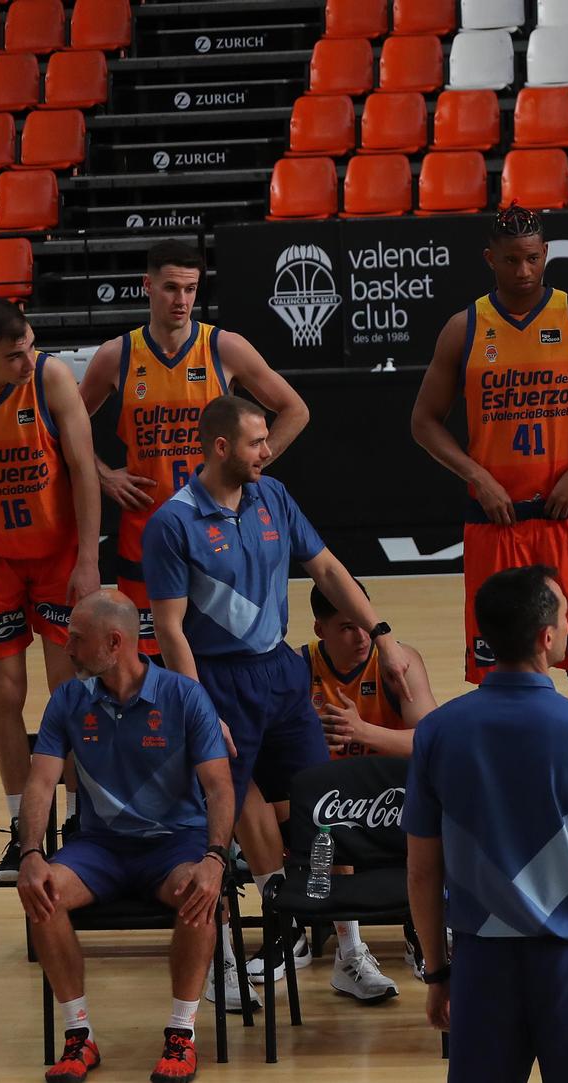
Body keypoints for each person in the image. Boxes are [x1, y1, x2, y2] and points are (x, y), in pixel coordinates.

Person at [141, 394, 415, 1007]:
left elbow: (328, 571)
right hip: (217, 681)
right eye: (255, 442)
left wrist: (382, 634)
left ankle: (347, 951)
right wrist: (198, 706)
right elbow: (169, 629)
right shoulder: (173, 524)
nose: (268, 450)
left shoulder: (274, 497)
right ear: (220, 448)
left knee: (326, 801)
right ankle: (222, 961)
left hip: (281, 676)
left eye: (267, 439)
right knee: (224, 812)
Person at [405, 565, 568, 1081]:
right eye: (565, 616)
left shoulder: (436, 734)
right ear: (547, 638)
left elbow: (422, 874)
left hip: (482, 966)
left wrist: (437, 972)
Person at [409, 206, 568, 716]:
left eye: (532, 258)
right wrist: (476, 476)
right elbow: (423, 422)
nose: (524, 271)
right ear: (490, 259)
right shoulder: (464, 328)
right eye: (511, 260)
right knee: (499, 673)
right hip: (497, 522)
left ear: (546, 253)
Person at [14, 589, 233, 1083]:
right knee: (41, 891)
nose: (65, 647)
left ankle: (181, 1034)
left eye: (76, 639)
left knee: (199, 893)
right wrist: (31, 852)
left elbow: (219, 788)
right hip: (101, 848)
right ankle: (79, 1036)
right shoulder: (68, 699)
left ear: (114, 642)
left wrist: (215, 858)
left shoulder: (184, 697)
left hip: (175, 842)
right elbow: (41, 781)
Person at [77, 240, 311, 660]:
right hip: (147, 530)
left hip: (217, 532)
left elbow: (295, 409)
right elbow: (65, 426)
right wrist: (103, 473)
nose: (181, 299)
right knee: (146, 662)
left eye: (190, 289)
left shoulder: (225, 347)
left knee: (224, 654)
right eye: (170, 287)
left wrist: (258, 455)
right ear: (147, 286)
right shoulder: (117, 356)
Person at [0, 300, 101, 887]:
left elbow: (84, 469)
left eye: (30, 345)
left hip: (57, 557)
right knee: (6, 694)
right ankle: (19, 832)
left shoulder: (52, 377)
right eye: (13, 355)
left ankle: (82, 822)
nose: (27, 359)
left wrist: (88, 558)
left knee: (70, 692)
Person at [308, 579, 435, 760]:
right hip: (327, 782)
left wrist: (361, 732)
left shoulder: (401, 661)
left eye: (365, 623)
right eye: (348, 628)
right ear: (320, 630)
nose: (363, 637)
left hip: (387, 781)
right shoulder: (299, 665)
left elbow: (432, 740)